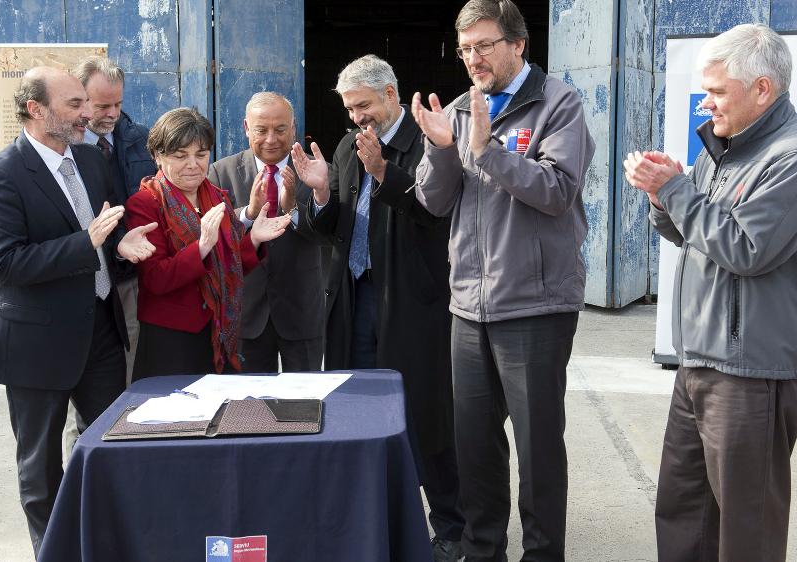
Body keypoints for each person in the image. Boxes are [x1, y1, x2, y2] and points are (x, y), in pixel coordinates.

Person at [623, 24, 797, 562]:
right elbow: (694, 233)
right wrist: (663, 196)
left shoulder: (795, 160)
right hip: (700, 361)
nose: (707, 102)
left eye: (717, 91)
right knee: (682, 511)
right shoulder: (723, 152)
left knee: (747, 531)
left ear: (762, 89)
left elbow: (744, 248)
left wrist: (674, 190)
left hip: (752, 374)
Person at [411, 0, 595, 559]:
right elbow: (433, 200)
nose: (473, 58)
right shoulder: (463, 109)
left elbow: (558, 190)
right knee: (474, 446)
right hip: (469, 305)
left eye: (485, 45)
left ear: (518, 44)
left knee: (538, 449)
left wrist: (486, 151)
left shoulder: (558, 103)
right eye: (465, 48)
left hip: (535, 305)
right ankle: (482, 548)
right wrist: (444, 150)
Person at [0, 66, 155, 556]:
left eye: (85, 103)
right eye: (74, 104)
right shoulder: (0, 176)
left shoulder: (92, 162)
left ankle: (104, 544)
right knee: (41, 468)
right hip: (36, 344)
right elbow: (4, 264)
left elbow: (104, 237)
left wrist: (120, 246)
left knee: (111, 446)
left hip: (98, 331)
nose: (87, 113)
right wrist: (86, 243)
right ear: (36, 110)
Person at [290, 54, 463, 561]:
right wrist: (320, 193)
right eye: (349, 108)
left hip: (414, 303)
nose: (355, 118)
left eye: (363, 105)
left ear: (390, 95)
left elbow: (435, 214)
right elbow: (333, 226)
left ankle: (450, 526)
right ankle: (374, 519)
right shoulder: (348, 145)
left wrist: (384, 171)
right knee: (357, 411)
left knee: (426, 416)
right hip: (352, 299)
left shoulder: (427, 141)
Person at [125, 107, 291, 380]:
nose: (193, 164)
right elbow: (155, 279)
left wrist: (255, 239)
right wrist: (201, 247)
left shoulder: (216, 197)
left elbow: (231, 264)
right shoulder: (146, 203)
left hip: (218, 331)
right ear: (157, 156)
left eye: (201, 155)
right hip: (172, 339)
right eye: (180, 156)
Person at [207, 93, 324, 373]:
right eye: (261, 130)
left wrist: (293, 208)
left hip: (301, 310)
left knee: (305, 403)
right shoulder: (221, 173)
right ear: (247, 127)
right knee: (250, 407)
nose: (271, 139)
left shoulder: (316, 171)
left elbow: (328, 233)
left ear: (293, 127)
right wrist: (248, 214)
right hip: (246, 313)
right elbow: (215, 240)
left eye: (280, 129)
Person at [72, 56, 157, 380]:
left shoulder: (141, 140)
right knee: (82, 370)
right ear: (80, 100)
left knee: (129, 363)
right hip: (84, 272)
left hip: (128, 274)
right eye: (102, 105)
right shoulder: (66, 147)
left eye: (118, 104)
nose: (112, 114)